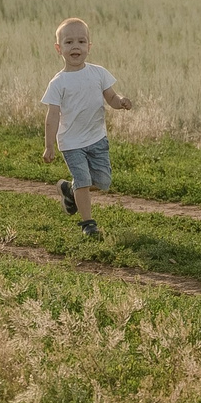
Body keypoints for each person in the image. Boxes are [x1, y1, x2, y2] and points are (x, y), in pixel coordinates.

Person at [43, 17, 132, 239]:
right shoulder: (58, 83)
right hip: (71, 143)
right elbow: (52, 116)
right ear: (59, 48)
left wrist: (121, 102)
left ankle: (69, 190)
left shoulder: (98, 73)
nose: (76, 47)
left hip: (97, 138)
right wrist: (49, 145)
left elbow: (111, 97)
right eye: (69, 42)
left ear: (89, 47)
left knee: (102, 182)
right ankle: (88, 224)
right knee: (83, 180)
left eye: (81, 42)